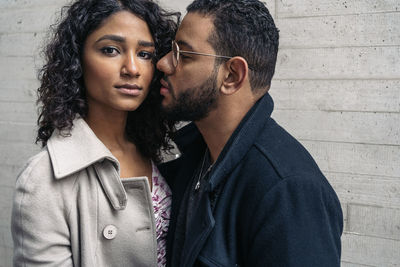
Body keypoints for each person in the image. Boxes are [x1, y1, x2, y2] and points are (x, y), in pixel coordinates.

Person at [156, 0, 343, 266]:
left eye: (184, 55)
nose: (164, 63)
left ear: (232, 75)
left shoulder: (288, 192)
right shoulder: (196, 159)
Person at [11, 0, 178, 266]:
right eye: (111, 50)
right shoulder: (42, 181)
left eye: (145, 54)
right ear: (77, 60)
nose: (132, 69)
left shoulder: (159, 150)